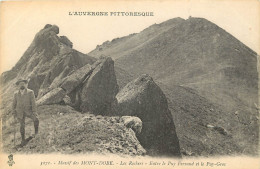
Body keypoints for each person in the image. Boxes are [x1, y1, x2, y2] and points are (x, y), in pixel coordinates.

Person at [12, 79, 39, 145]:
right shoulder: (15, 94)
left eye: (23, 84)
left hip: (28, 110)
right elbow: (14, 104)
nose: (22, 85)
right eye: (20, 84)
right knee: (22, 125)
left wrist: (34, 111)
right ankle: (23, 139)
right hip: (20, 112)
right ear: (18, 86)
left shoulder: (30, 92)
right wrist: (14, 112)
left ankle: (36, 133)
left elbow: (33, 103)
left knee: (36, 119)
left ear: (25, 84)